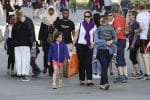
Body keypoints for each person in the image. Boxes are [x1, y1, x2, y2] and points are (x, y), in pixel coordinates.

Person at [74, 11, 96, 86]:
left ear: (91, 17)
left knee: (88, 63)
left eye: (88, 16)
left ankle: (89, 80)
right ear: (84, 17)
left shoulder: (94, 26)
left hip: (89, 46)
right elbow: (76, 35)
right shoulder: (80, 25)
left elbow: (95, 36)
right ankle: (82, 79)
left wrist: (93, 43)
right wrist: (72, 45)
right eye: (85, 16)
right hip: (80, 45)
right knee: (82, 63)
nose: (87, 18)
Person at [95, 16, 116, 90]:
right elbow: (96, 41)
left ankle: (102, 84)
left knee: (105, 68)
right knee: (104, 67)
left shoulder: (111, 28)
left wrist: (112, 41)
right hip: (101, 50)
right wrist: (106, 42)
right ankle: (106, 83)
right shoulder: (98, 29)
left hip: (110, 51)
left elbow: (115, 38)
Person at [12, 10, 32, 81]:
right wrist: (25, 23)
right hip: (25, 44)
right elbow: (29, 33)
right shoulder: (25, 24)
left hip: (17, 45)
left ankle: (20, 74)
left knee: (18, 60)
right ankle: (23, 75)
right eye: (23, 15)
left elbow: (13, 35)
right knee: (24, 59)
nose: (24, 16)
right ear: (21, 16)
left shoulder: (15, 24)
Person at [38, 5, 59, 76]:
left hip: (54, 39)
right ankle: (45, 66)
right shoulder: (44, 18)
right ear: (47, 10)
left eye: (52, 10)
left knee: (52, 55)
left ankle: (51, 70)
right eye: (49, 10)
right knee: (46, 54)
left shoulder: (57, 19)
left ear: (54, 11)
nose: (51, 11)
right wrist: (40, 40)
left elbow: (59, 29)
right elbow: (41, 30)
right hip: (45, 39)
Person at [112, 7, 127, 83]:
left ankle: (121, 76)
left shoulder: (116, 19)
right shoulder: (123, 18)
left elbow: (118, 29)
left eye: (112, 13)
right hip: (123, 39)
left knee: (118, 58)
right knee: (122, 57)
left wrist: (113, 37)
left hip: (119, 39)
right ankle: (124, 75)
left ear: (114, 12)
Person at [136, 1, 150, 80]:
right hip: (148, 36)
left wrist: (136, 31)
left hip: (143, 37)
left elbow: (141, 28)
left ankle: (148, 74)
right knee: (147, 55)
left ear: (138, 7)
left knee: (144, 55)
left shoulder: (139, 15)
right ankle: (148, 72)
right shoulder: (148, 14)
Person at [127, 11, 142, 78]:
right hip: (132, 41)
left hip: (135, 42)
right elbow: (130, 31)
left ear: (133, 16)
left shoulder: (135, 23)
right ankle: (137, 72)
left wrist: (132, 43)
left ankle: (138, 72)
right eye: (128, 15)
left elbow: (136, 34)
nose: (128, 16)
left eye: (130, 15)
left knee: (132, 56)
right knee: (133, 57)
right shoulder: (131, 23)